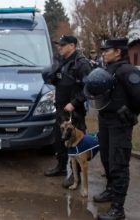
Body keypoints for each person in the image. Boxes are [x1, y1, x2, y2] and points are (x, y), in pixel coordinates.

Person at [84, 38, 140, 220]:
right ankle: (110, 190)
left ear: (118, 51)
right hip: (106, 121)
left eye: (107, 50)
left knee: (119, 164)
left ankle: (118, 209)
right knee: (107, 159)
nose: (103, 52)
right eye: (103, 50)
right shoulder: (107, 69)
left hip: (120, 124)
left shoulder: (128, 70)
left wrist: (129, 114)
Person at [42, 35, 92, 186]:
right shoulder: (63, 62)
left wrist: (75, 103)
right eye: (59, 45)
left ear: (72, 45)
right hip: (61, 110)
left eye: (63, 45)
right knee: (60, 140)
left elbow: (89, 88)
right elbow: (58, 80)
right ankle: (61, 167)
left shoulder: (82, 64)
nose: (60, 48)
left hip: (74, 112)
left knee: (75, 143)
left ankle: (75, 175)